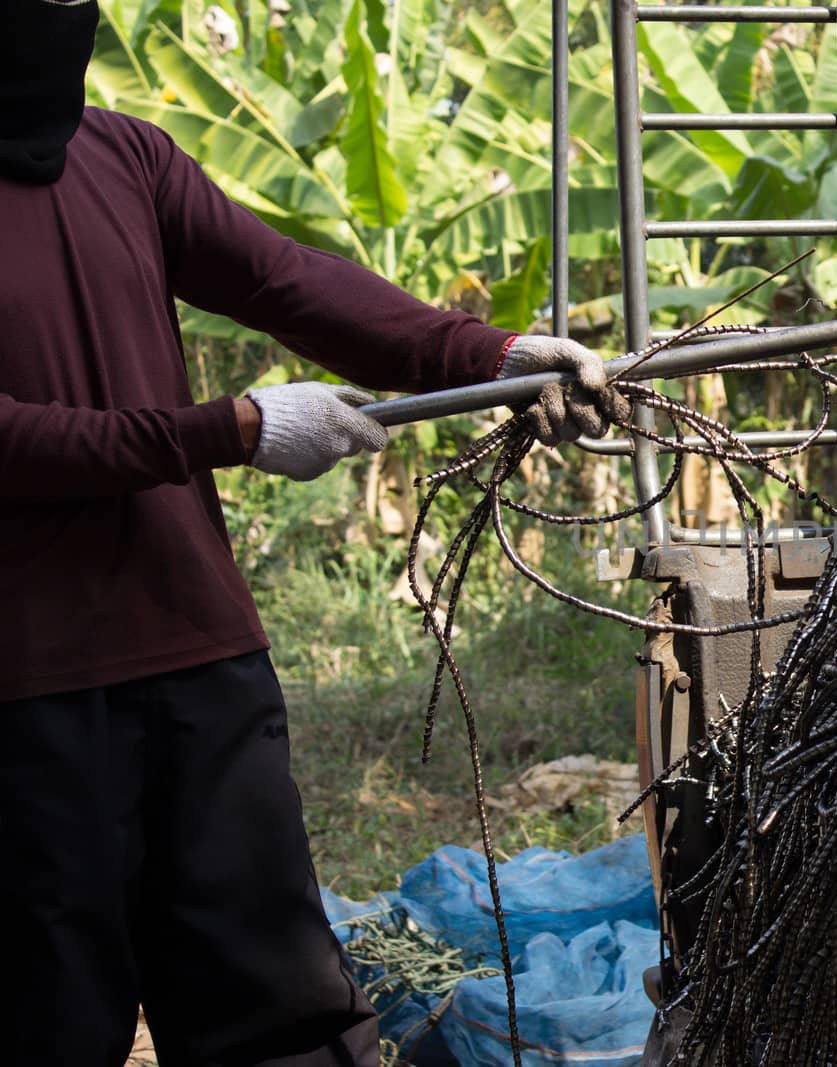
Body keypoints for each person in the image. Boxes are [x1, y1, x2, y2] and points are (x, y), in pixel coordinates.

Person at [0, 3, 626, 1064]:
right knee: (45, 1012)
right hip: (23, 688)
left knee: (279, 1004)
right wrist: (229, 428)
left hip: (195, 648)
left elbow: (286, 282)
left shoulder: (124, 154)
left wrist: (490, 352)